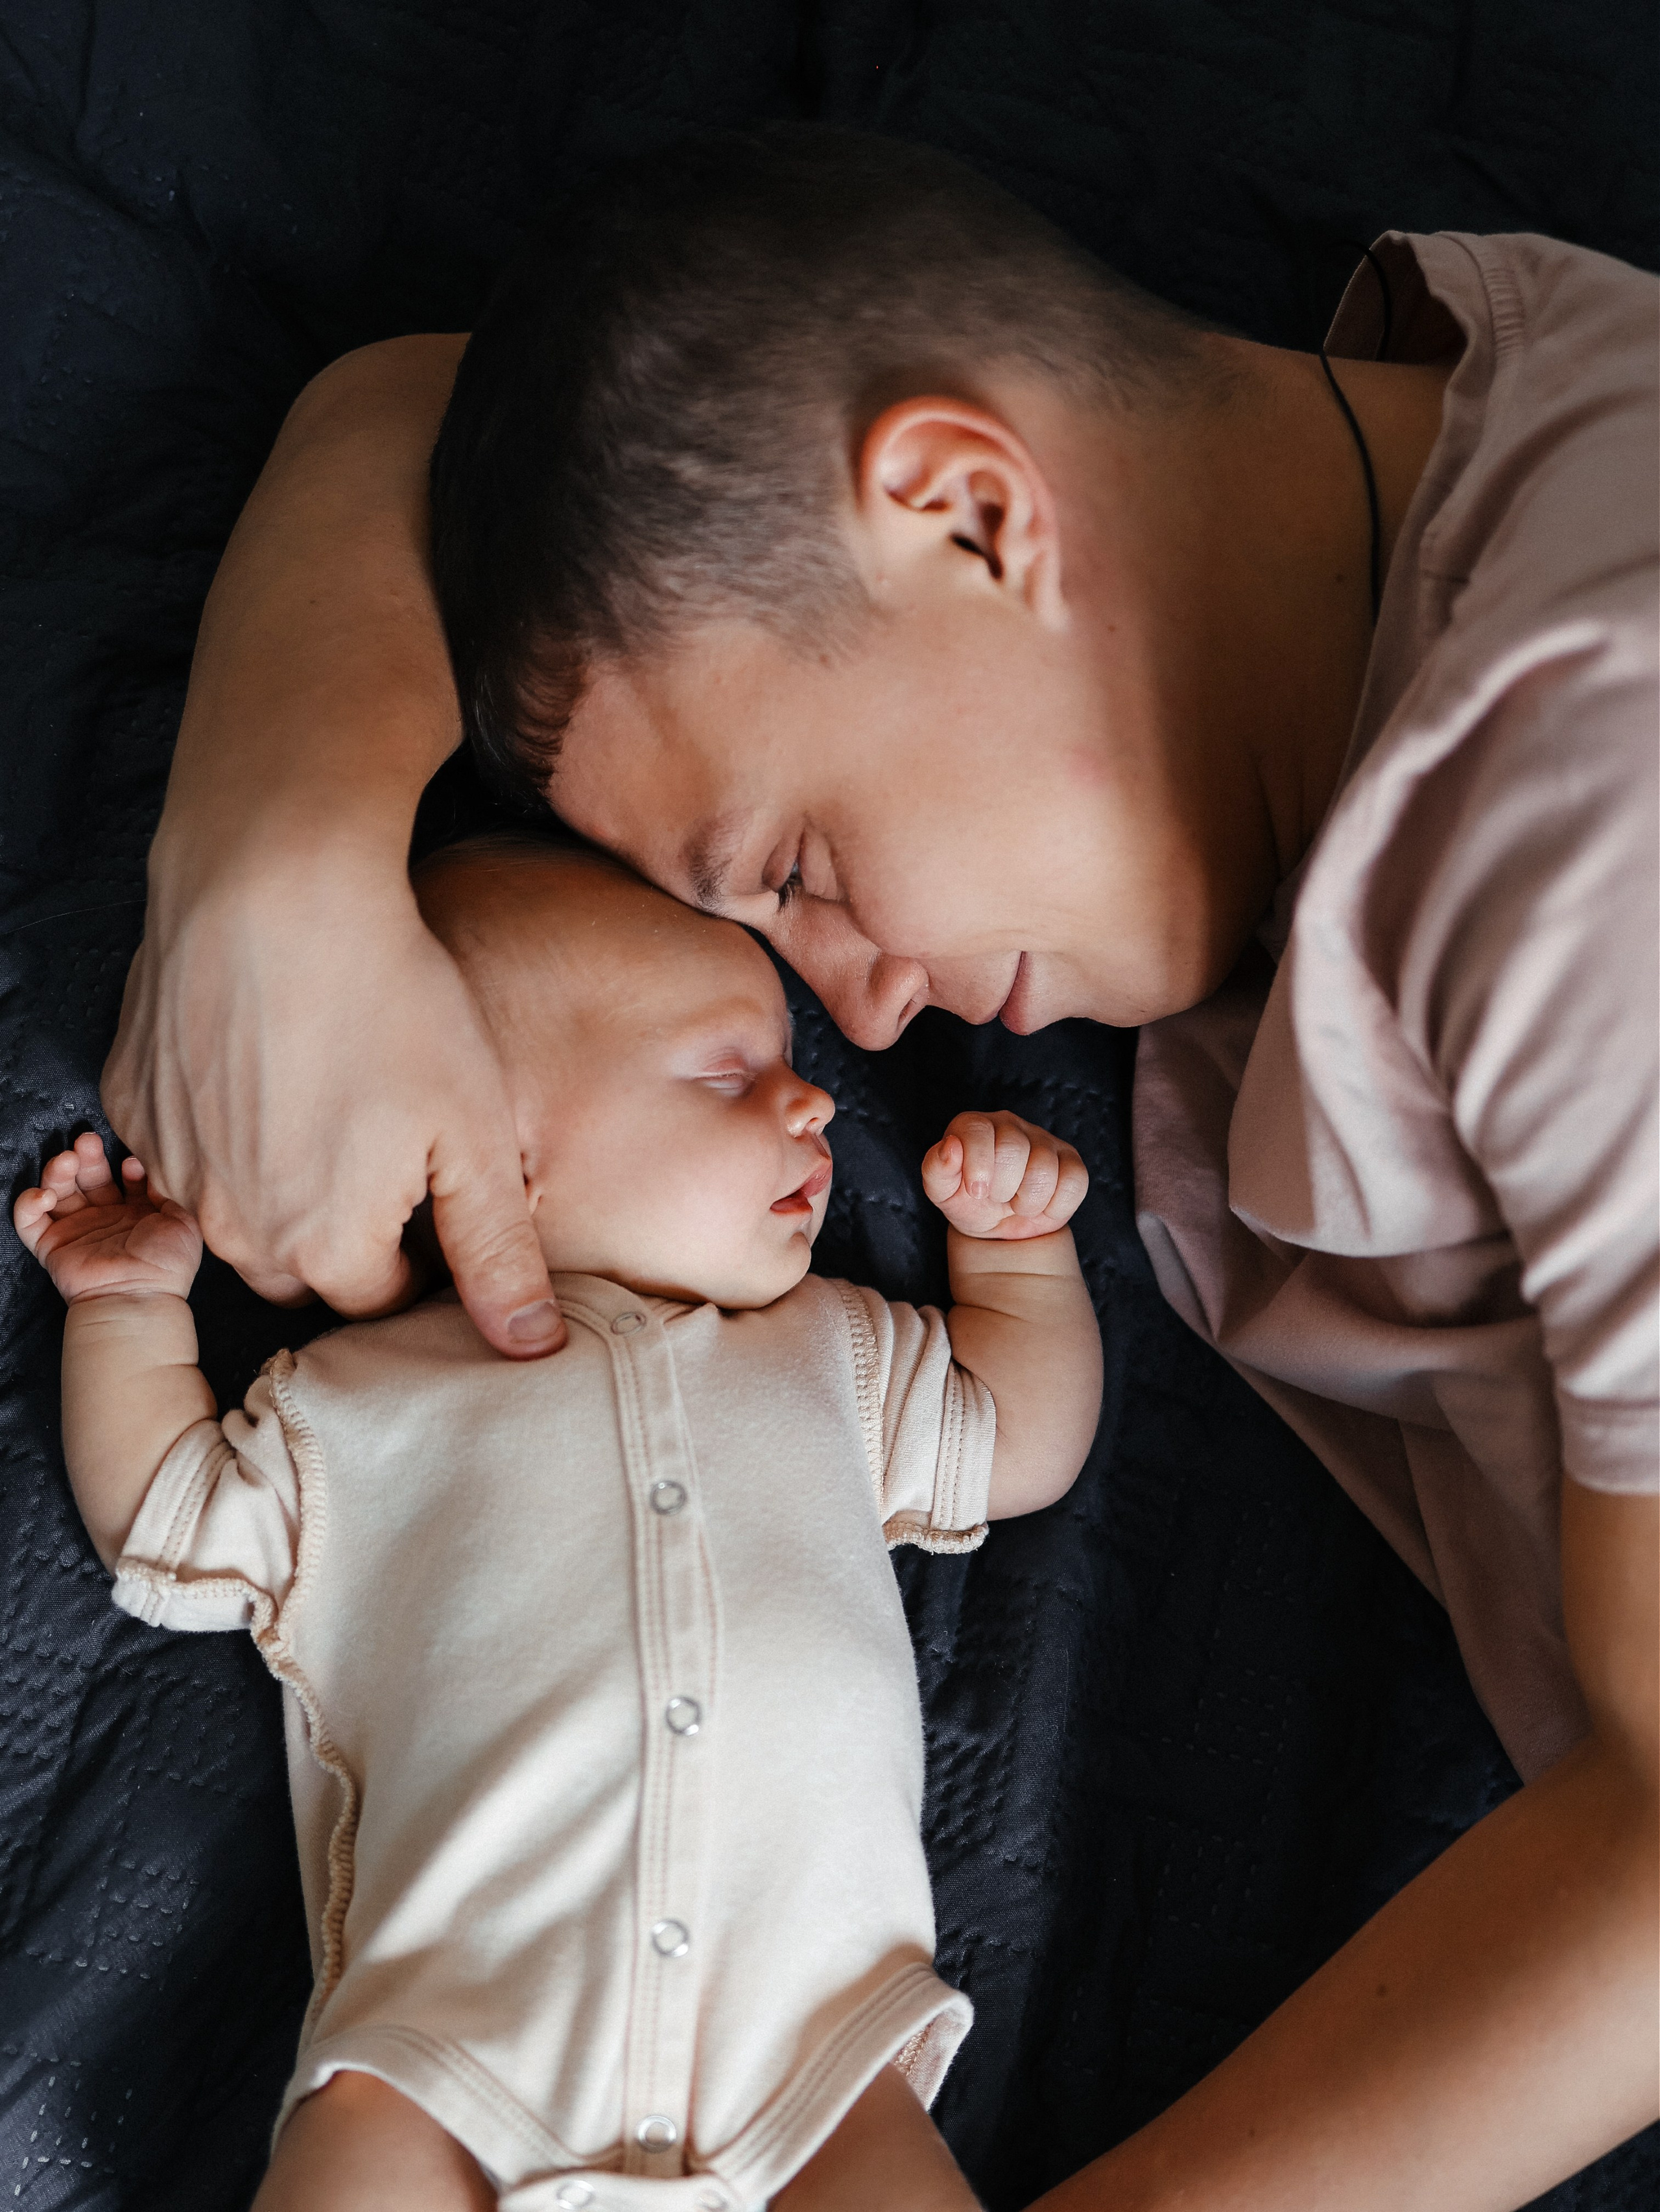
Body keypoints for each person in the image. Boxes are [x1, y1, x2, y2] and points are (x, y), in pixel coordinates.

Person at [101, 127, 1656, 2209]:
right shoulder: (1388, 496)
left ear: (966, 509)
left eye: (802, 868)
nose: (877, 1012)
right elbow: (433, 409)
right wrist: (271, 870)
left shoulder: (1595, 806)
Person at [17, 834, 1103, 2212]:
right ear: (494, 1160)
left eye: (788, 1064)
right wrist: (127, 1310)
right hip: (450, 2048)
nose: (812, 1102)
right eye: (728, 1072)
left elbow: (1018, 1440)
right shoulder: (352, 1405)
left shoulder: (829, 1352)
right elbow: (165, 1513)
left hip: (817, 2055)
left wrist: (1014, 1261)